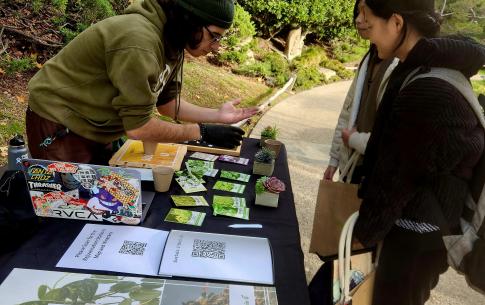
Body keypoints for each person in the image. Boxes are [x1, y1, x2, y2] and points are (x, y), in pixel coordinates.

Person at [353, 1, 485, 305]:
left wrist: (364, 233)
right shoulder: (419, 67)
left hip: (418, 234)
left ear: (397, 23)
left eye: (367, 18)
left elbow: (396, 176)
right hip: (416, 229)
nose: (360, 24)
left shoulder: (427, 89)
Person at [26, 0, 258, 165]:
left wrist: (217, 116)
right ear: (191, 20)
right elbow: (139, 127)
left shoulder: (173, 40)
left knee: (98, 202)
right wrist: (202, 132)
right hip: (60, 122)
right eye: (214, 36)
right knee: (69, 209)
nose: (216, 46)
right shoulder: (139, 41)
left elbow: (167, 103)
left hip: (97, 126)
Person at [324, 0, 398, 183]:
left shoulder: (402, 69)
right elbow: (347, 111)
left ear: (395, 21)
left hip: (376, 176)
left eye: (365, 14)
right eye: (358, 12)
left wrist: (355, 139)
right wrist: (334, 158)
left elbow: (396, 142)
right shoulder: (369, 59)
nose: (358, 20)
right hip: (350, 167)